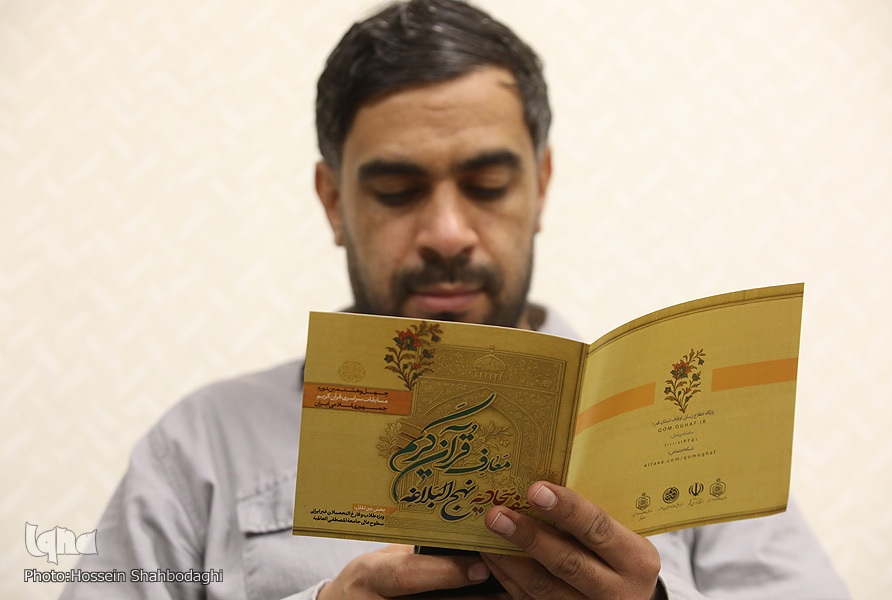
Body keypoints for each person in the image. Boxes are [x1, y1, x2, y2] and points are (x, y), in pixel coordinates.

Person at [61, 1, 850, 599]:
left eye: (488, 185)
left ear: (541, 186)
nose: (446, 233)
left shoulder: (689, 433)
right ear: (333, 202)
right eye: (398, 191)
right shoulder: (199, 447)